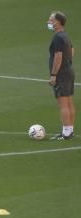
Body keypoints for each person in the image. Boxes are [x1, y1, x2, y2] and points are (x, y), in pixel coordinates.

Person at [47, 11, 75, 141]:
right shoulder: (65, 36)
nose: (49, 22)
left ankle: (66, 133)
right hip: (68, 72)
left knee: (63, 104)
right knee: (69, 102)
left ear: (58, 22)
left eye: (51, 20)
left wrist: (54, 74)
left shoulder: (58, 37)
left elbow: (58, 56)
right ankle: (69, 130)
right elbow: (72, 50)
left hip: (61, 74)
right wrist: (67, 63)